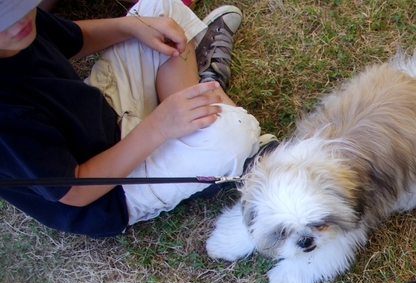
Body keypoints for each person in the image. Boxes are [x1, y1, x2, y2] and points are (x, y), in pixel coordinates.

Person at [0, 0, 268, 237]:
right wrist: (157, 127)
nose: (17, 21)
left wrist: (132, 26)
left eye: (17, 6)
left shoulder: (19, 23)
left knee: (162, 9)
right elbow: (76, 191)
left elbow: (75, 37)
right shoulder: (6, 116)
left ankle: (196, 102)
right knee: (233, 137)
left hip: (107, 115)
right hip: (109, 190)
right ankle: (240, 134)